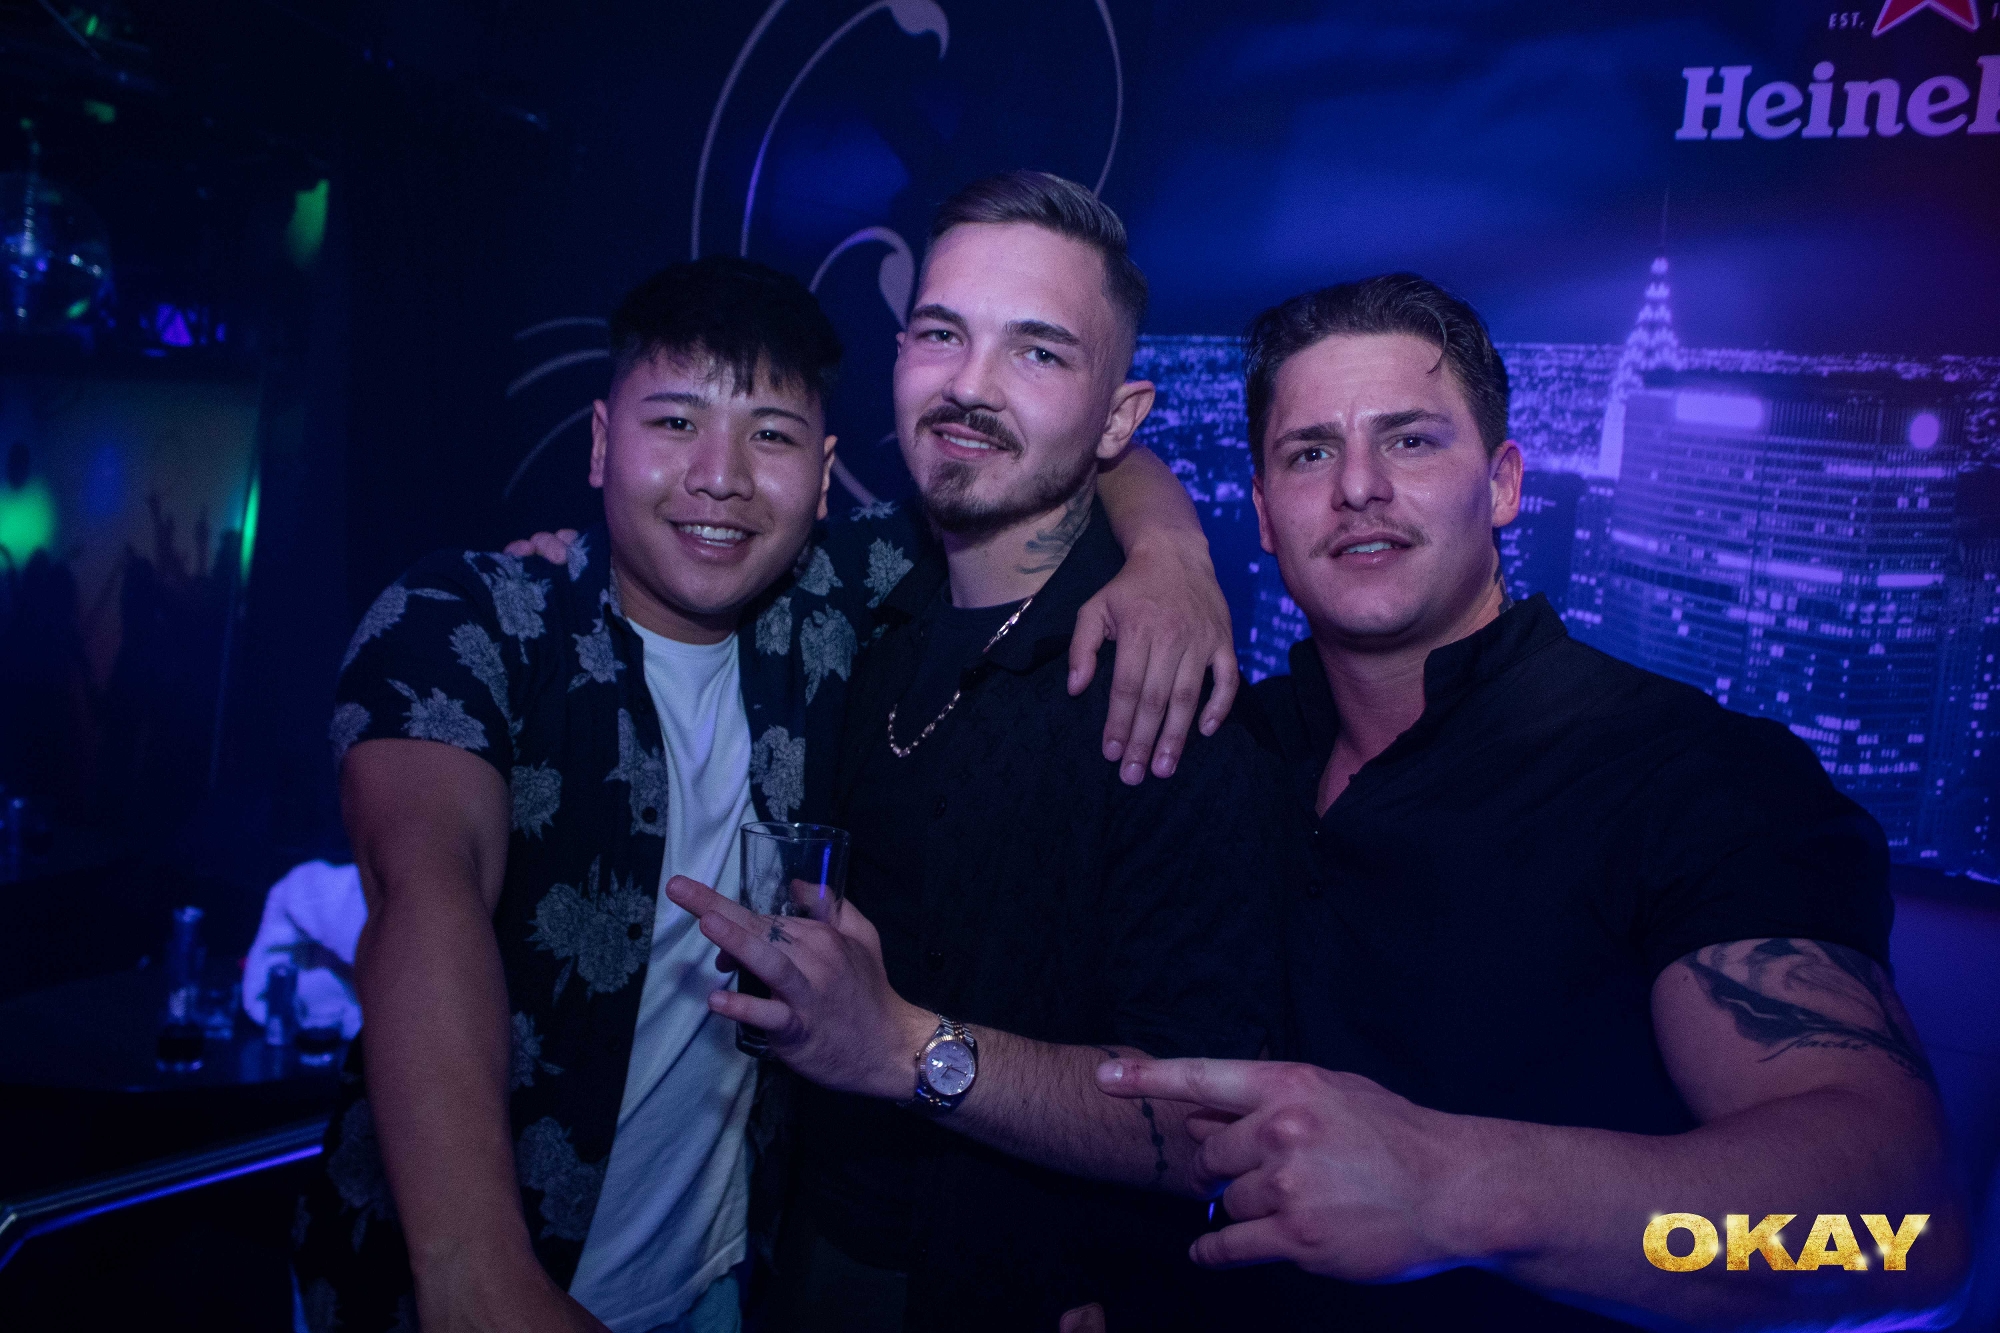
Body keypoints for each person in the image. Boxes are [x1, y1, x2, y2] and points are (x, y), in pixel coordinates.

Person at [293, 254, 1238, 1333]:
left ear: (825, 475)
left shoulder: (832, 611)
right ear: (600, 442)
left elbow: (1057, 456)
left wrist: (1171, 551)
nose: (720, 477)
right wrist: (476, 1274)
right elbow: (425, 890)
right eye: (674, 422)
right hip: (446, 1289)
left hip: (727, 1291)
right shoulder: (467, 620)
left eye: (771, 437)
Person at [1094, 273, 1971, 1329]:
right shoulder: (1236, 745)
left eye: (1411, 441)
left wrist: (1457, 1188)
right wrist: (1166, 546)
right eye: (1310, 453)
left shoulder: (1693, 776)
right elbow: (1068, 449)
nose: (1359, 485)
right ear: (1267, 516)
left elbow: (1901, 1233)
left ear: (1504, 485)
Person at [666, 172, 1285, 1332]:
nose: (968, 385)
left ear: (1118, 419)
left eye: (1036, 352)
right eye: (940, 334)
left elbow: (1204, 1126)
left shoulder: (1160, 693)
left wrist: (904, 1047)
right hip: (796, 1266)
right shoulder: (848, 609)